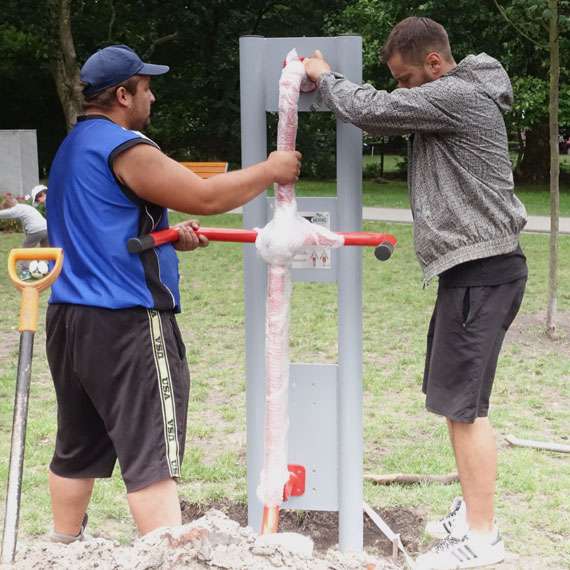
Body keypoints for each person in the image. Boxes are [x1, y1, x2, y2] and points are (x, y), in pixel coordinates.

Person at [46, 44, 301, 543]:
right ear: (122, 95)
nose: (153, 96)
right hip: (125, 321)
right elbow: (205, 196)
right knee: (151, 457)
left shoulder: (73, 145)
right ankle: (166, 558)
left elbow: (108, 224)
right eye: (146, 88)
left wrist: (165, 235)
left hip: (71, 319)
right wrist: (271, 170)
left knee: (77, 446)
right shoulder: (125, 146)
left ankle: (63, 548)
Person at [304, 17, 527, 570]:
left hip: (482, 269)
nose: (402, 90)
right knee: (454, 400)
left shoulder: (454, 95)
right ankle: (470, 510)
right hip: (472, 269)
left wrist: (325, 77)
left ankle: (481, 540)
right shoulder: (454, 95)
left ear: (433, 63)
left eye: (405, 78)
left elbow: (371, 111)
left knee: (464, 410)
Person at [0, 195, 48, 279]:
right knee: (45, 250)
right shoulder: (24, 207)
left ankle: (25, 272)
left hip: (36, 230)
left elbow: (2, 214)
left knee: (24, 251)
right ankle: (48, 267)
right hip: (46, 228)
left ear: (8, 208)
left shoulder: (15, 209)